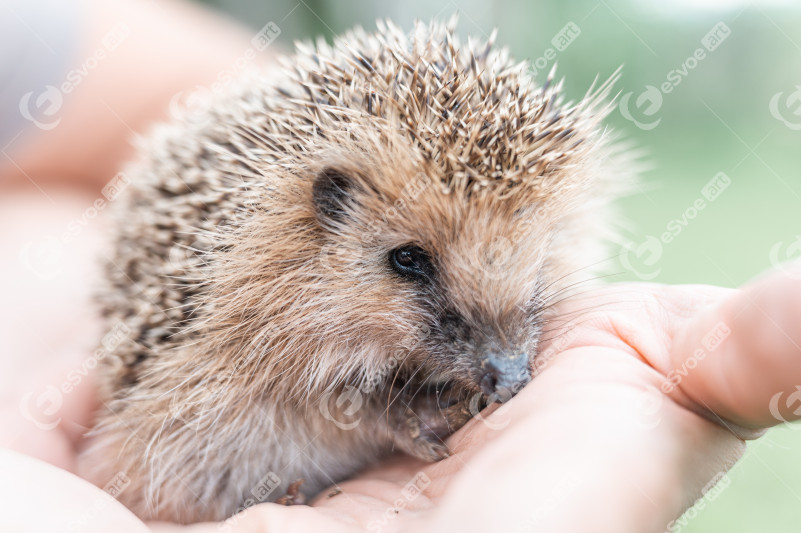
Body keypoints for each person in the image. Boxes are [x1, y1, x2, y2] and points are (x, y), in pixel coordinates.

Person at [2, 1, 800, 531]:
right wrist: (386, 410)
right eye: (413, 263)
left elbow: (172, 89)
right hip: (216, 430)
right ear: (330, 213)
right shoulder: (265, 286)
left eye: (521, 272)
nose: (505, 358)